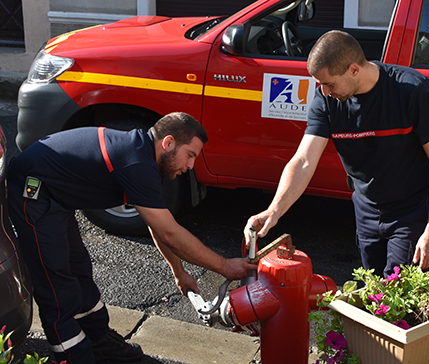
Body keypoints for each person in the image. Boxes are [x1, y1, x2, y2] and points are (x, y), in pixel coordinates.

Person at [7, 112, 257, 364]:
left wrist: (179, 272)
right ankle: (73, 357)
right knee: (57, 284)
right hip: (33, 193)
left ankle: (99, 342)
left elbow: (158, 226)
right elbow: (170, 233)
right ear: (168, 143)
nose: (191, 166)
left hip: (56, 198)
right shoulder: (136, 162)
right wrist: (225, 266)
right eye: (190, 155)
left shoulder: (146, 157)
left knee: (79, 269)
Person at [245, 30, 429, 278]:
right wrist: (274, 210)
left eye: (329, 83)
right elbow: (303, 160)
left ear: (354, 70)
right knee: (372, 288)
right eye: (319, 84)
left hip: (411, 210)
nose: (323, 91)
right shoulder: (326, 100)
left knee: (397, 293)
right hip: (365, 207)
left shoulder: (411, 90)